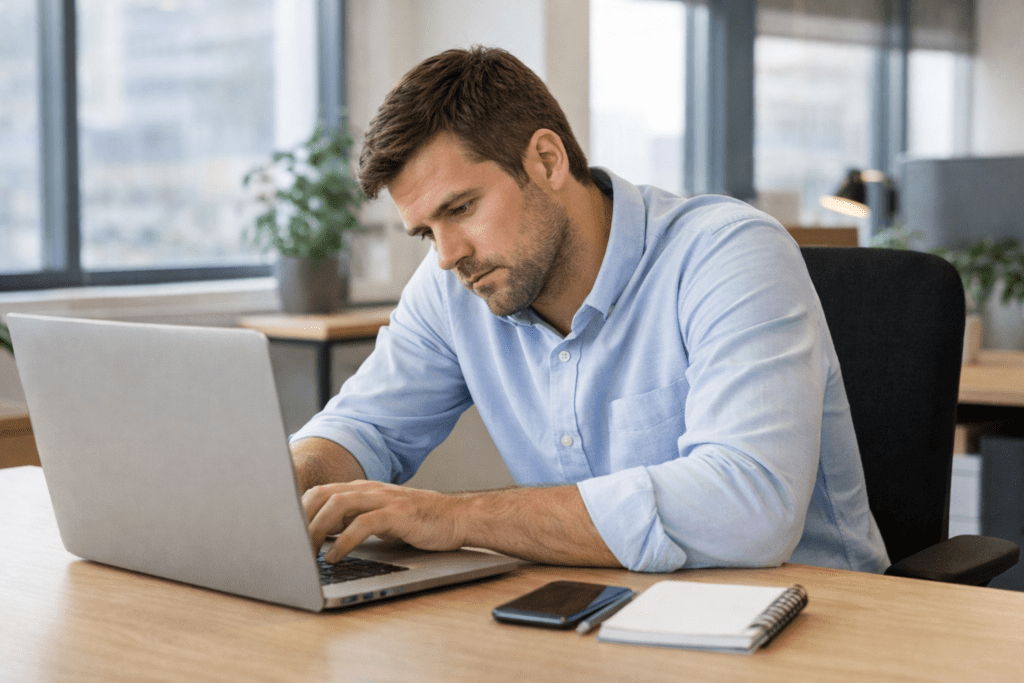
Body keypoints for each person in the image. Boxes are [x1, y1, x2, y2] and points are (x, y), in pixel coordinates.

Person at [290, 46, 890, 574]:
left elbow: (750, 505)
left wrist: (459, 517)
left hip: (809, 621)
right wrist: (290, 480)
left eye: (463, 208)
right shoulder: (454, 284)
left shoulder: (727, 253)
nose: (448, 255)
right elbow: (363, 428)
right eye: (425, 232)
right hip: (603, 614)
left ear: (547, 161)